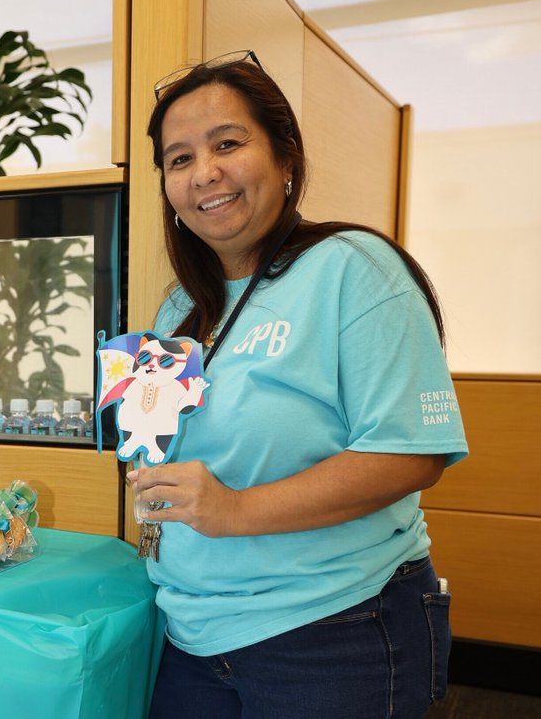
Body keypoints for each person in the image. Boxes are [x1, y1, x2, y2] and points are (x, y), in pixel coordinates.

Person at [128, 52, 468, 719]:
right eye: (179, 159)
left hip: (333, 627)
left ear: (286, 158)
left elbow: (413, 453)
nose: (206, 172)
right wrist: (152, 553)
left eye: (228, 143)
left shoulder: (355, 269)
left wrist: (235, 511)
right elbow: (152, 466)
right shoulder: (175, 311)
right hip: (191, 631)